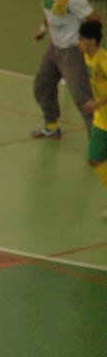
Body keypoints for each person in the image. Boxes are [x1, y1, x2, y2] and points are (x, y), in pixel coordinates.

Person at [32, 0, 100, 139]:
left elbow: (95, 20)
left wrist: (87, 45)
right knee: (43, 85)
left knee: (82, 98)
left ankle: (98, 142)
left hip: (71, 51)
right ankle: (52, 126)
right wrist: (43, 29)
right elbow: (49, 12)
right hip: (54, 47)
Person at [78, 21, 107, 214]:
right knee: (94, 159)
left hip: (102, 112)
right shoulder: (87, 58)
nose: (78, 43)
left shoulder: (104, 61)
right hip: (101, 120)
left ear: (92, 41)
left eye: (81, 39)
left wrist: (97, 104)